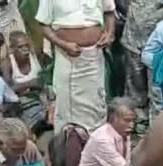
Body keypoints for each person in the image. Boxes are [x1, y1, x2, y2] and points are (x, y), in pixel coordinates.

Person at [36, 0, 115, 132]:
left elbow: (109, 12)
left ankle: (95, 140)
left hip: (94, 56)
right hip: (67, 56)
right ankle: (68, 140)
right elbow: (43, 25)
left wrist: (109, 33)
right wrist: (63, 44)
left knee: (96, 101)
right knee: (66, 105)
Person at [120, 0, 163, 129]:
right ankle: (137, 124)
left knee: (158, 92)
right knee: (134, 89)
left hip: (160, 45)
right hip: (133, 39)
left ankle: (158, 130)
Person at [0, 31, 47, 131]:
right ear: (12, 48)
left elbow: (45, 79)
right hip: (22, 103)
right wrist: (30, 84)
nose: (25, 49)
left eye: (27, 46)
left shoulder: (36, 56)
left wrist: (20, 86)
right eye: (20, 47)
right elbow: (7, 91)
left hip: (42, 98)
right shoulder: (7, 63)